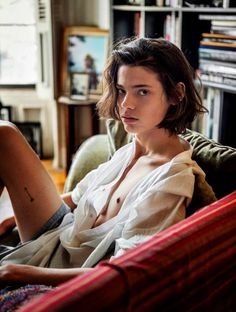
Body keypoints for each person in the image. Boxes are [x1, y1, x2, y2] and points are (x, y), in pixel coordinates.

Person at [0, 37, 206, 286]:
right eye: (121, 90)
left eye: (142, 91)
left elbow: (127, 271)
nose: (126, 104)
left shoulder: (171, 180)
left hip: (68, 268)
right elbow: (76, 197)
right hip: (59, 233)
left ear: (176, 94)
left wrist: (20, 273)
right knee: (3, 134)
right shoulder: (130, 149)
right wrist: (11, 219)